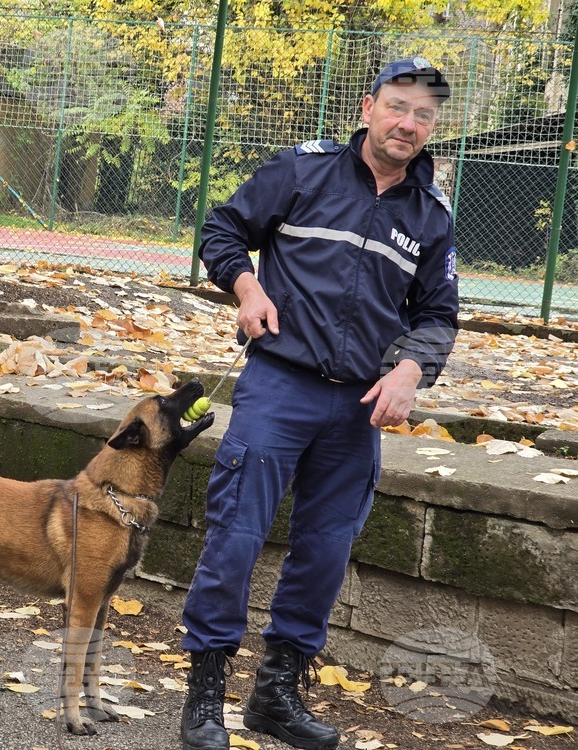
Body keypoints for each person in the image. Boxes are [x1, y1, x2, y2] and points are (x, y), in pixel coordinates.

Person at [179, 58, 459, 750]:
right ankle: (206, 697)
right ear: (368, 108)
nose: (408, 123)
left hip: (359, 407)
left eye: (423, 114)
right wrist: (248, 290)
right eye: (397, 106)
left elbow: (439, 314)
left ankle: (275, 696)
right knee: (236, 536)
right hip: (281, 384)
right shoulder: (302, 172)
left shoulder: (430, 217)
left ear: (433, 126)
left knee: (326, 553)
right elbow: (221, 231)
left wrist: (411, 371)